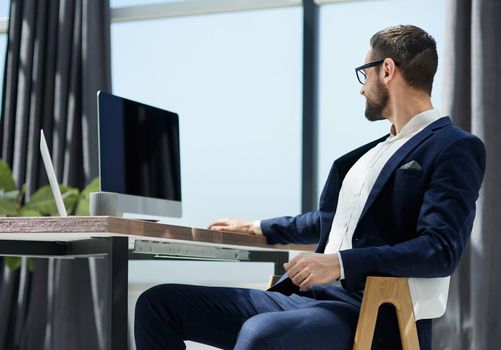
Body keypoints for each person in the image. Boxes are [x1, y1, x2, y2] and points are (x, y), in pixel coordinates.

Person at [134, 25, 485, 350]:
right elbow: (331, 222)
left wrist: (341, 264)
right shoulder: (364, 157)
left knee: (260, 335)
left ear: (388, 70)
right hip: (306, 299)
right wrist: (257, 226)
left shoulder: (453, 146)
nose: (362, 88)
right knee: (158, 305)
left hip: (369, 310)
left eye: (365, 73)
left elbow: (439, 250)